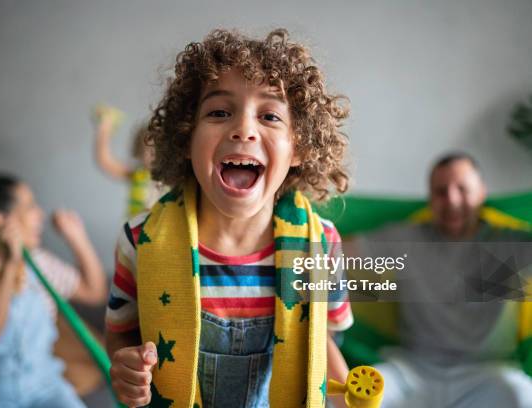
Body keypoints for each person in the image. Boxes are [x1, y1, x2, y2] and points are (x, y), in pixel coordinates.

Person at [105, 28, 355, 408]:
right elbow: (120, 334)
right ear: (187, 138)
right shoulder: (139, 240)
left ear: (300, 148)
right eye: (219, 112)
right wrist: (124, 368)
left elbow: (322, 341)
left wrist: (354, 395)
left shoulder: (321, 244)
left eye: (270, 115)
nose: (243, 129)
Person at [354, 153, 532, 408]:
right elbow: (334, 251)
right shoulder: (406, 239)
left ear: (481, 192)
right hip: (410, 372)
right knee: (352, 398)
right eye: (440, 191)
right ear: (429, 198)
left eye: (462, 188)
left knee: (523, 398)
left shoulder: (509, 243)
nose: (452, 200)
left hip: (488, 375)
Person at [0, 169, 108, 408]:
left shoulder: (37, 261)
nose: (40, 214)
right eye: (30, 206)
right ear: (0, 221)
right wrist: (10, 263)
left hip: (43, 385)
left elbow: (95, 292)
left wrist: (77, 237)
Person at [93, 105, 163, 217]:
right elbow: (105, 161)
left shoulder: (174, 181)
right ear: (139, 151)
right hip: (134, 232)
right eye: (149, 149)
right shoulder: (137, 175)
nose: (154, 154)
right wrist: (105, 127)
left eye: (159, 148)